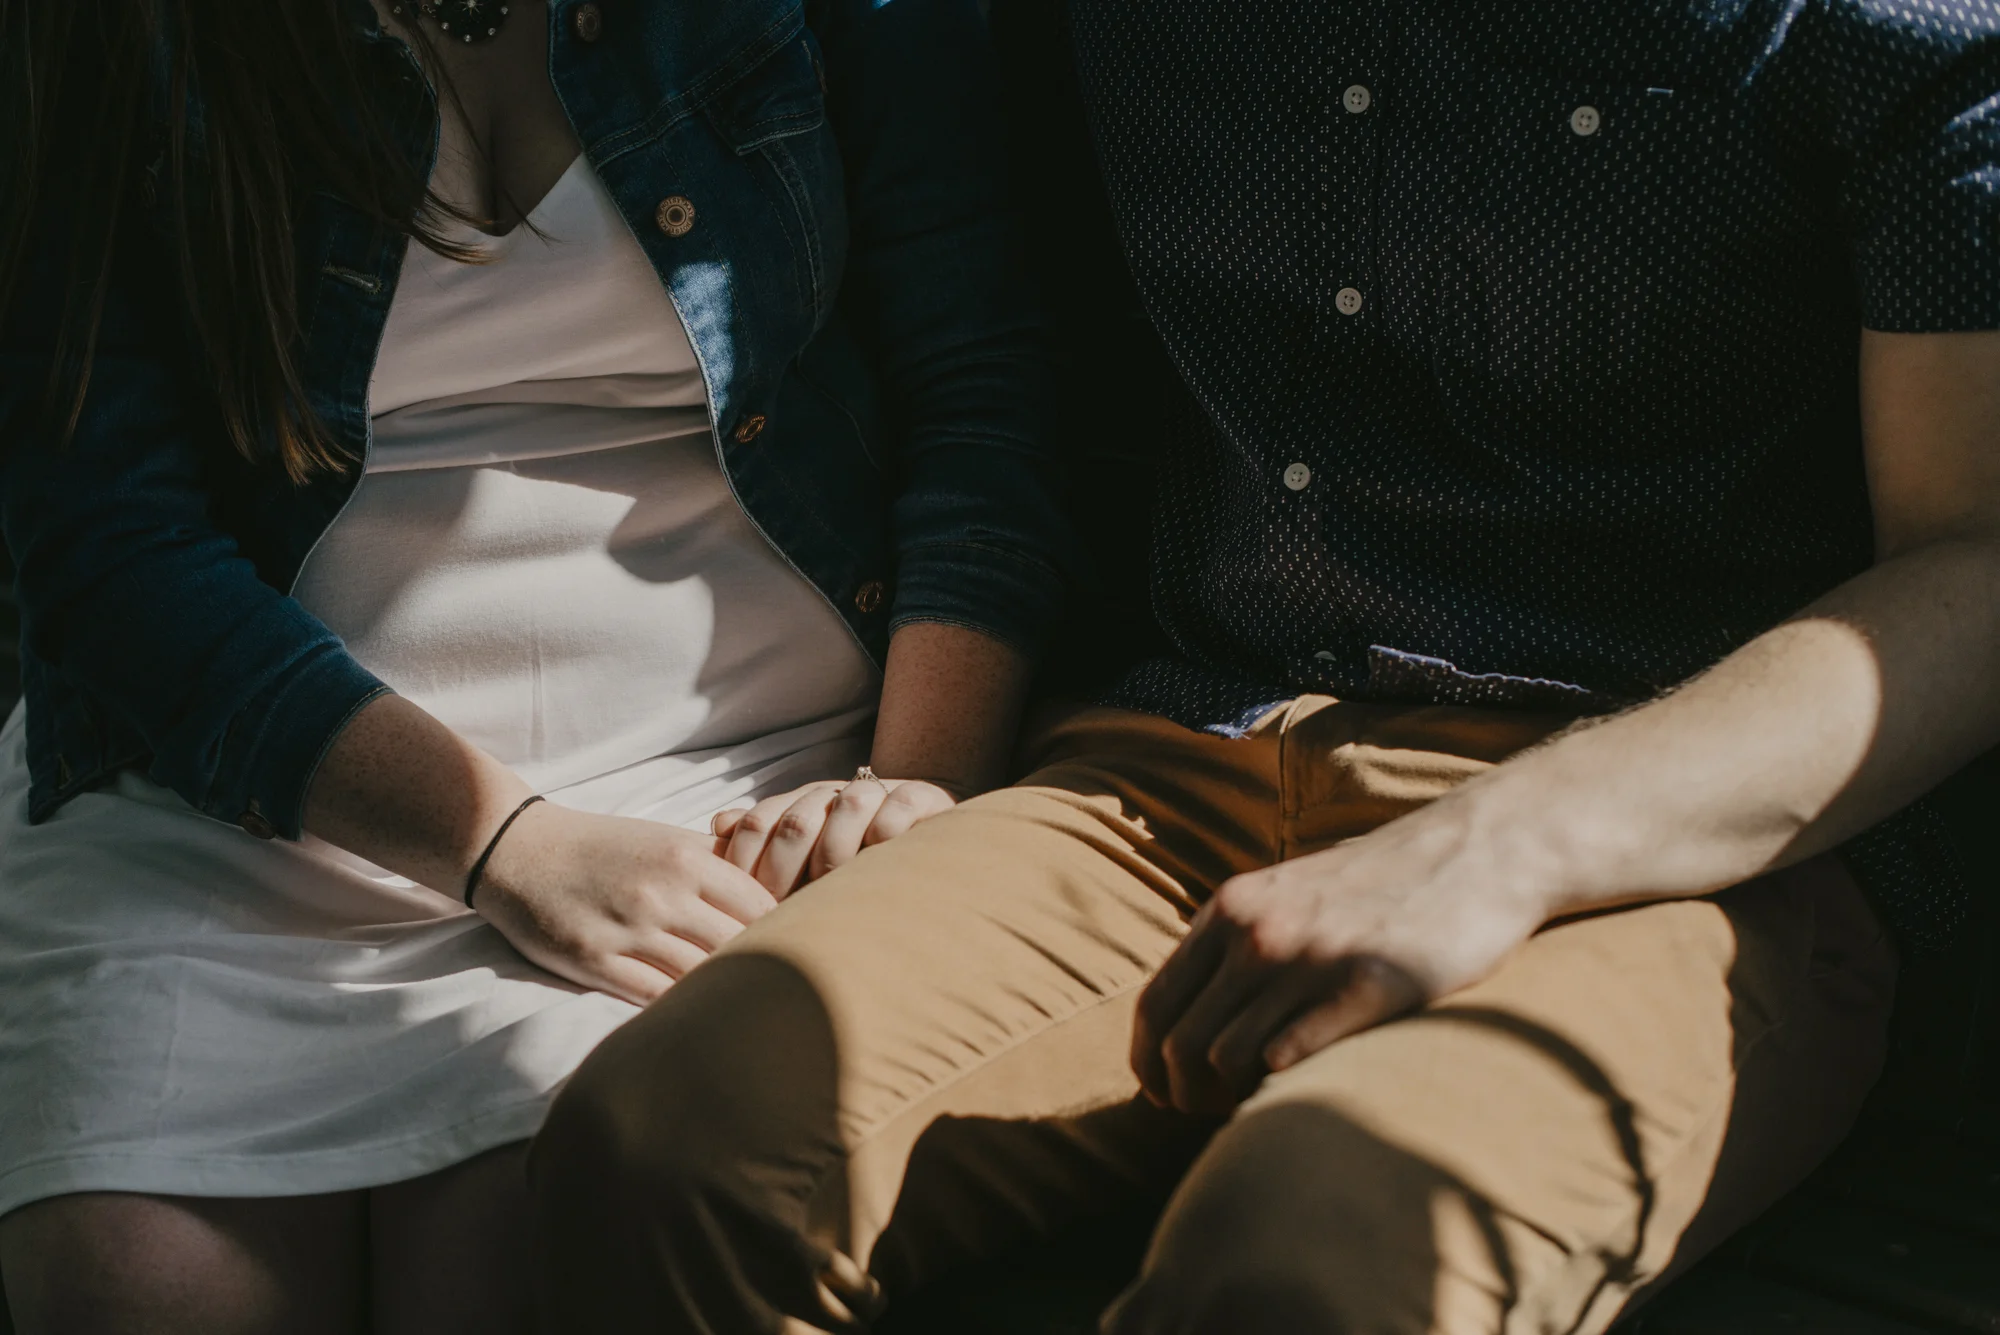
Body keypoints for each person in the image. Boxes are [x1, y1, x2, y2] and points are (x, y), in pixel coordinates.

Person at [527, 0, 2000, 1331]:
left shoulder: (1894, 28)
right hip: (1181, 757)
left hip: (1686, 841)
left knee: (1320, 1253)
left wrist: (1498, 851)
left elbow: (1975, 567)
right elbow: (976, 354)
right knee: (662, 1147)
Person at [0, 0, 1064, 1329]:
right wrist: (507, 845)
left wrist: (915, 797)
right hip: (232, 773)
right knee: (142, 1287)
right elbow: (108, 544)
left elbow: (985, 390)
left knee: (527, 1248)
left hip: (725, 780)